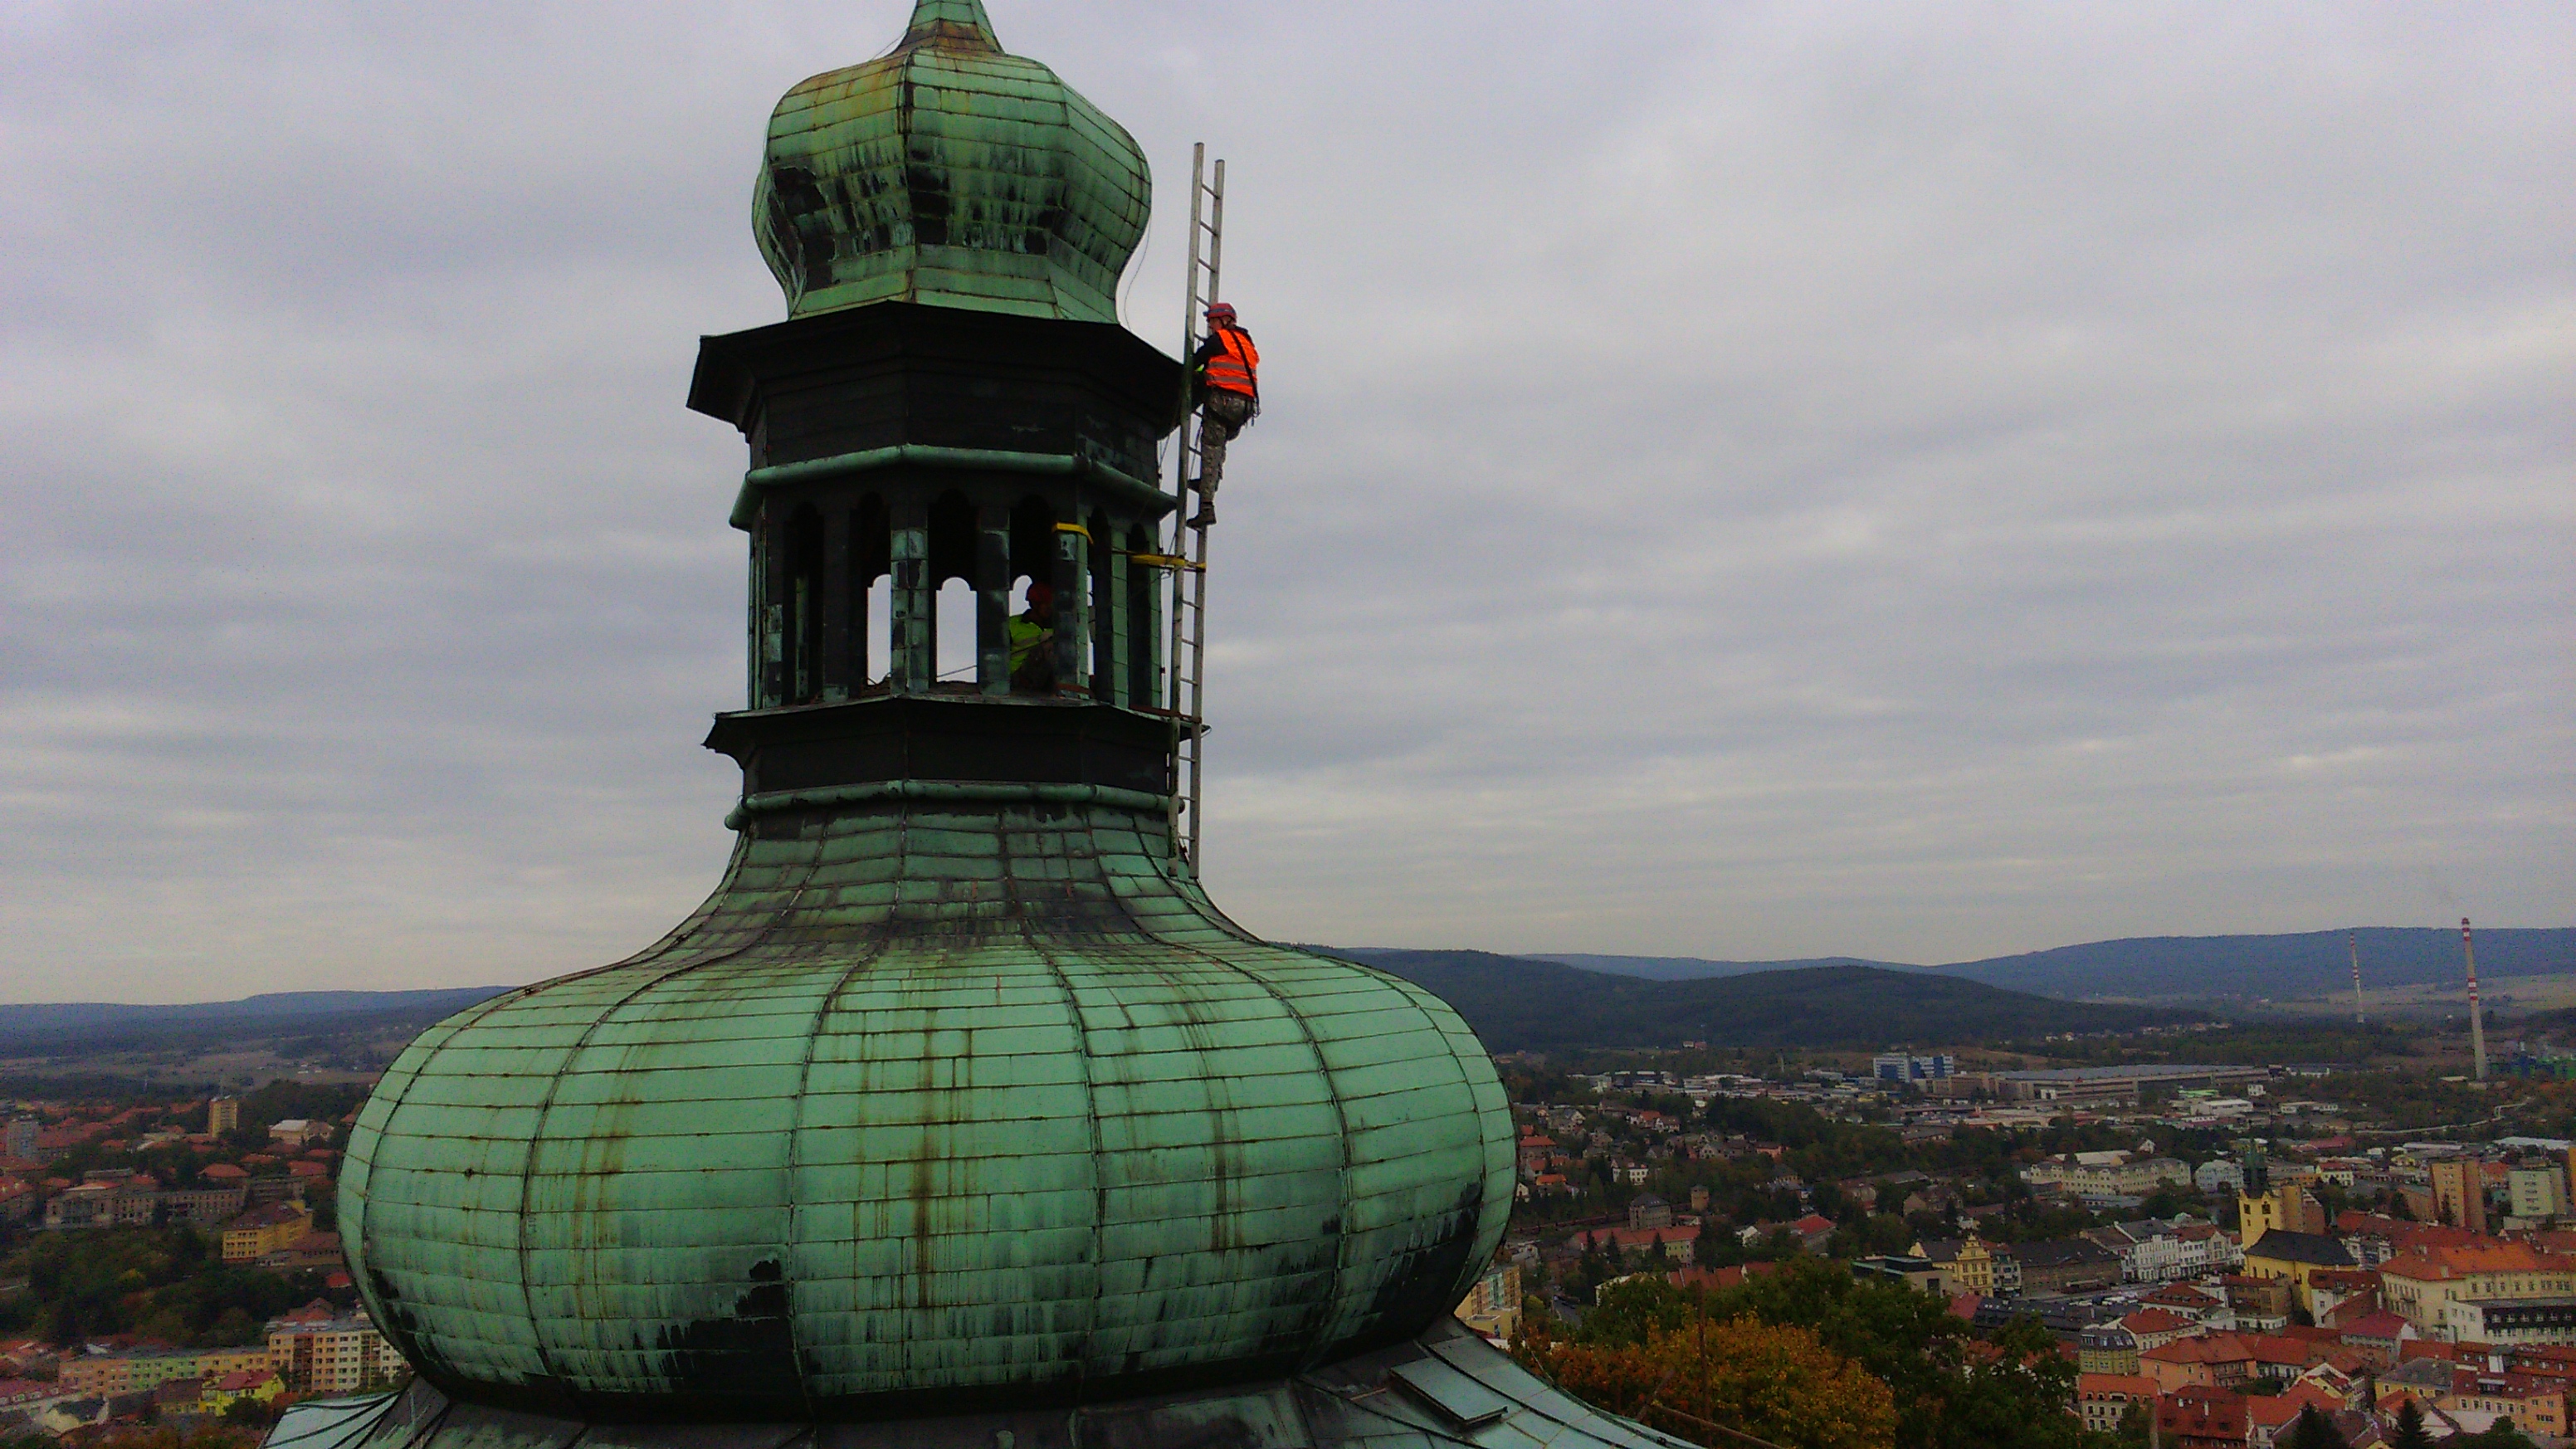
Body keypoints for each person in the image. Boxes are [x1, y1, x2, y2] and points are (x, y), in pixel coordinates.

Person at [1188, 301, 1258, 527]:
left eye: (1212, 322)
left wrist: (1196, 375)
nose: (1210, 327)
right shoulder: (1246, 342)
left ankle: (1206, 506)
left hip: (1224, 402)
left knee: (1211, 446)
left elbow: (1195, 362)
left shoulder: (1219, 340)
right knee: (1219, 447)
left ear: (1224, 320)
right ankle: (1210, 482)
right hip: (1245, 407)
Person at [1008, 582, 1056, 694]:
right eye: (1047, 604)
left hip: (1050, 679)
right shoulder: (1011, 624)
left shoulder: (1060, 627)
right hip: (1018, 680)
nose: (1051, 608)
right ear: (1034, 604)